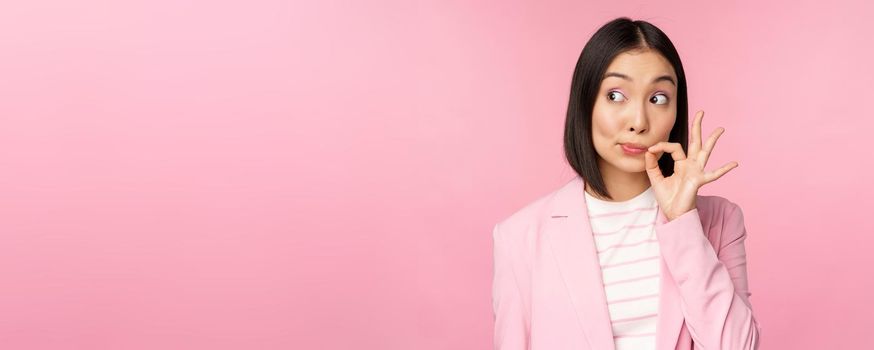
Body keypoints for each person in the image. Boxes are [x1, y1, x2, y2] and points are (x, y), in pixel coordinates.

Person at [491, 17, 762, 350]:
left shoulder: (720, 221)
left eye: (658, 98)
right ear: (585, 102)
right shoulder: (519, 237)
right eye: (616, 95)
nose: (638, 122)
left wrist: (683, 223)